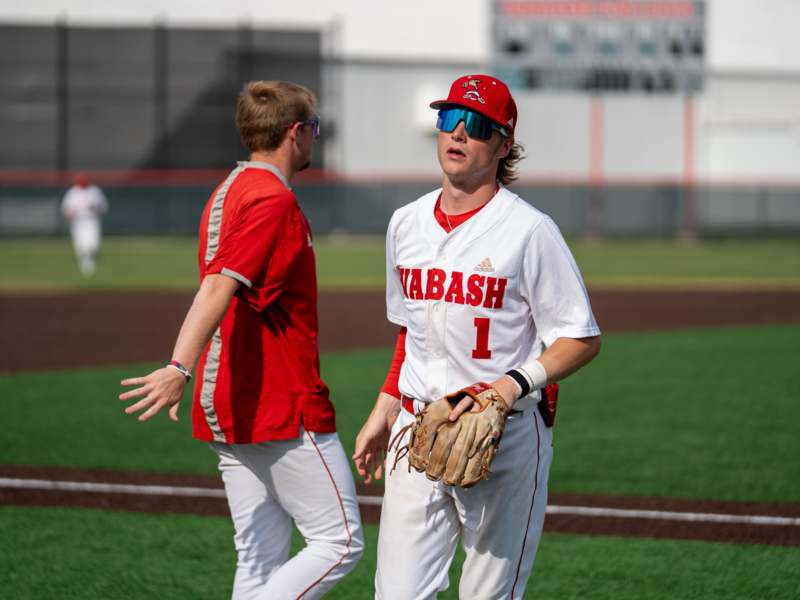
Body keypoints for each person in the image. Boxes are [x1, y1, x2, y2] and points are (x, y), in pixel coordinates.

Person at [353, 74, 602, 599]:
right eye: (450, 119)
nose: (459, 133)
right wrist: (385, 404)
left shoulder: (530, 231)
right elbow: (411, 331)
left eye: (478, 125)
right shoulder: (405, 223)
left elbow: (580, 338)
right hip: (417, 429)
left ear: (504, 145)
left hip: (503, 435)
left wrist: (511, 385)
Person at [119, 80, 363, 599]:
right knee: (339, 543)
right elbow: (218, 285)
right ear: (295, 132)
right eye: (315, 127)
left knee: (259, 559)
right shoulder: (272, 200)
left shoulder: (228, 190)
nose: (315, 137)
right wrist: (178, 367)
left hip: (233, 400)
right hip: (277, 399)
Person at [61, 172, 108, 277]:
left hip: (91, 220)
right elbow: (65, 208)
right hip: (78, 221)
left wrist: (95, 207)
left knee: (93, 244)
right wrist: (70, 212)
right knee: (80, 245)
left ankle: (92, 256)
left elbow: (104, 206)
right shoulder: (72, 192)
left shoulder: (94, 191)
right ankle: (86, 264)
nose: (82, 183)